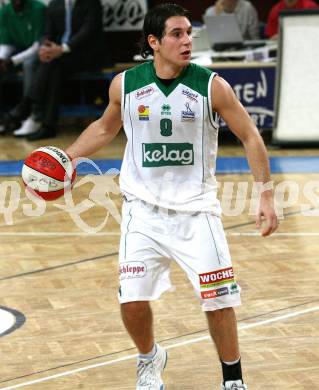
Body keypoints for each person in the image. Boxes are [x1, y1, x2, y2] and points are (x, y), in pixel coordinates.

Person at [65, 3, 278, 389]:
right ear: (154, 42)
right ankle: (149, 359)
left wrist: (266, 195)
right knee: (131, 301)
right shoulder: (125, 85)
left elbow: (251, 136)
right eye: (177, 34)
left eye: (189, 33)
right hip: (142, 212)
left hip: (197, 212)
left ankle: (233, 379)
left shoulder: (212, 85)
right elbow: (104, 127)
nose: (186, 41)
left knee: (218, 299)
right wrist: (70, 156)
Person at [13, 0, 106, 140]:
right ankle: (47, 126)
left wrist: (62, 49)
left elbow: (88, 32)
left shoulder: (91, 3)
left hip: (85, 55)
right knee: (54, 68)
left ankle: (26, 105)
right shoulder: (54, 4)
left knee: (53, 63)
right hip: (60, 57)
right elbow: (47, 32)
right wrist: (45, 46)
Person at [0, 0, 46, 134]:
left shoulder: (38, 8)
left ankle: (32, 115)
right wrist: (2, 59)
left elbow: (38, 44)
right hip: (17, 49)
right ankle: (3, 120)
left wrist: (13, 60)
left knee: (29, 64)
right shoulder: (5, 11)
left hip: (38, 50)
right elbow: (5, 42)